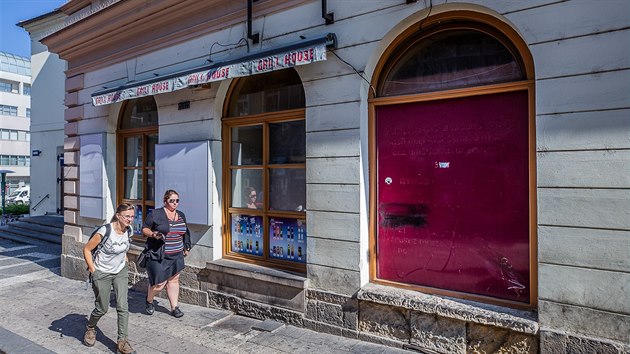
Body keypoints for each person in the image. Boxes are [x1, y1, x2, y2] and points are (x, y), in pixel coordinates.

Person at [82, 203, 136, 354]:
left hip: (120, 271)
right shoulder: (105, 230)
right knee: (102, 307)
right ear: (118, 215)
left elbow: (125, 247)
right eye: (127, 216)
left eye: (132, 216)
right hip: (102, 273)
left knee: (122, 306)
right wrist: (94, 271)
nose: (130, 219)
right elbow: (87, 249)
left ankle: (122, 341)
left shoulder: (129, 230)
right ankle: (90, 328)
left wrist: (125, 261)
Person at [142, 189, 191, 318]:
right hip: (159, 254)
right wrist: (153, 234)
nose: (175, 203)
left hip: (176, 254)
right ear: (165, 201)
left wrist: (186, 247)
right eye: (172, 201)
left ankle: (175, 307)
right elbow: (145, 228)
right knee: (159, 284)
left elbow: (185, 232)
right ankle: (149, 300)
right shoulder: (156, 214)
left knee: (174, 281)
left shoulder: (181, 215)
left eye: (177, 201)